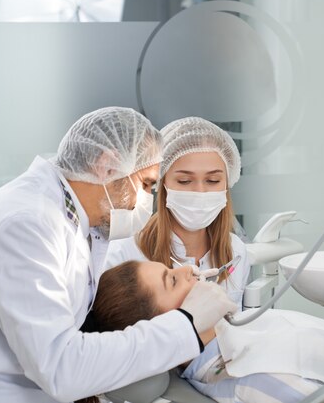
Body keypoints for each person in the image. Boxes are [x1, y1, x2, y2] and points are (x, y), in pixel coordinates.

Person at [0, 107, 236, 403]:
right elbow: (61, 370)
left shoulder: (69, 222)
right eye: (146, 185)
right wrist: (187, 325)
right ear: (106, 166)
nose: (146, 201)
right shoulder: (26, 226)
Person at [86, 260, 324, 403]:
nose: (189, 270)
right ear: (164, 327)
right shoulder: (244, 378)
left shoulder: (234, 333)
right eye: (172, 280)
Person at [104, 116, 250, 308]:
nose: (200, 192)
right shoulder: (123, 254)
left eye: (213, 181)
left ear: (226, 184)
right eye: (184, 181)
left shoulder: (236, 252)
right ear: (163, 184)